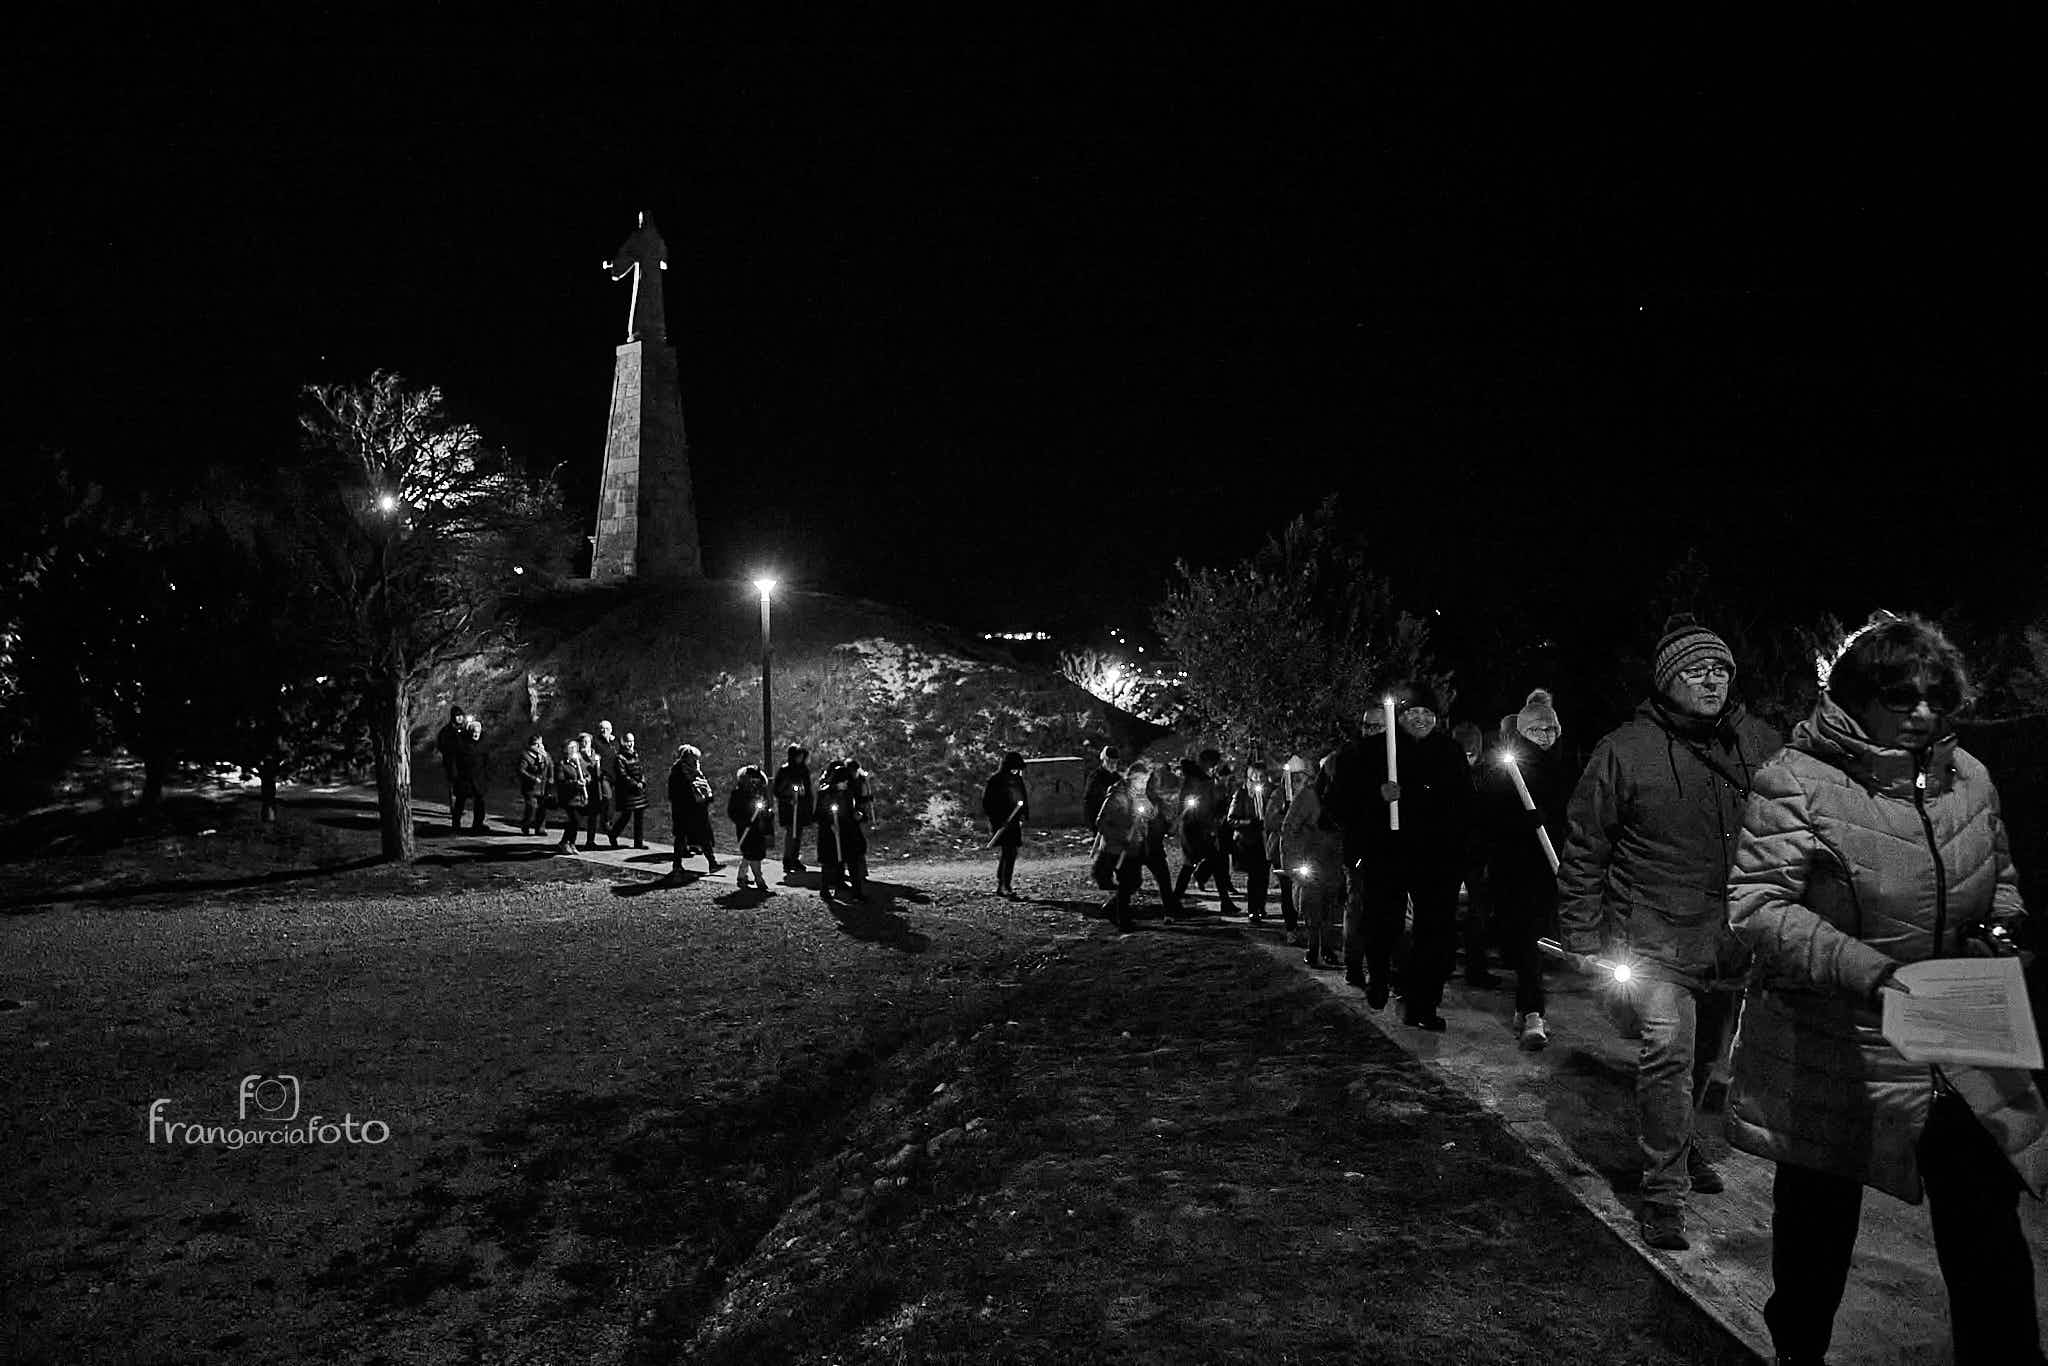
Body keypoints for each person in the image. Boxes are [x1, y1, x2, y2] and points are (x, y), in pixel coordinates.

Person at [1726, 613, 2046, 1366]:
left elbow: (1997, 878)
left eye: (1937, 695)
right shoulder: (1796, 781)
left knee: (1989, 1235)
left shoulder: (1970, 777)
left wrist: (2001, 930)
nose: (1923, 712)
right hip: (1838, 1039)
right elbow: (1757, 907)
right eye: (1901, 696)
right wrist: (1869, 971)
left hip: (1956, 1027)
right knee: (1815, 1240)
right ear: (1858, 696)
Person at [1556, 614, 1781, 1253]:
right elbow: (1586, 845)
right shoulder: (1625, 750)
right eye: (1695, 670)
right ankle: (1663, 1193)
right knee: (1669, 1056)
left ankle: (1680, 1146)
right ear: (1667, 681)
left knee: (1709, 1057)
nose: (1711, 680)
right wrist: (1581, 930)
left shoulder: (1756, 743)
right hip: (1653, 935)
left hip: (1731, 937)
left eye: (1720, 670)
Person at [1321, 681, 1475, 1030]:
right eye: (1413, 713)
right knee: (1383, 923)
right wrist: (1376, 797)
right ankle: (1379, 974)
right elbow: (1335, 804)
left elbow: (1465, 805)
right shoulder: (1367, 753)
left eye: (1428, 713)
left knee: (1435, 933)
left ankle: (1424, 1003)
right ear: (1398, 717)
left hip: (1436, 859)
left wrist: (1460, 850)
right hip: (1386, 854)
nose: (1421, 719)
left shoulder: (1449, 753)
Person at [1480, 689, 1569, 1051]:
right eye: (1538, 731)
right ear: (1524, 732)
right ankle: (1533, 1011)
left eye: (1551, 731)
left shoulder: (1562, 768)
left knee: (1540, 936)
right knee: (1525, 937)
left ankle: (1528, 1004)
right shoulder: (1506, 768)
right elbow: (1489, 817)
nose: (1546, 738)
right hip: (1515, 867)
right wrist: (1522, 821)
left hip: (1552, 867)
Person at [1283, 753, 1345, 968]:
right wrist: (1292, 862)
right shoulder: (1309, 796)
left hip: (1333, 861)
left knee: (1330, 907)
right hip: (1311, 859)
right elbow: (1290, 828)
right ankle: (1313, 948)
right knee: (1312, 908)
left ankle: (1327, 947)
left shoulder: (1344, 797)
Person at [1172, 750, 1238, 913]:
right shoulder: (1194, 780)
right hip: (1194, 828)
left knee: (1205, 863)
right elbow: (1187, 804)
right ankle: (1174, 901)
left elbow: (1210, 802)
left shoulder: (1205, 780)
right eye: (1213, 764)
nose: (1214, 767)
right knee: (1194, 864)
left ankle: (1174, 901)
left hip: (1202, 827)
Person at [1095, 758, 1154, 932]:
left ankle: (1113, 909)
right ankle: (1124, 920)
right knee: (1127, 881)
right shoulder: (1117, 795)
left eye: (1146, 781)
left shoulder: (1138, 794)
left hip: (1133, 846)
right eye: (1141, 780)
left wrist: (1149, 812)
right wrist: (1121, 836)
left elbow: (1148, 812)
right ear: (1132, 778)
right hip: (1117, 847)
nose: (1144, 784)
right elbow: (1101, 822)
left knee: (1134, 881)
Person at [816, 756, 872, 903]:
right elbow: (819, 814)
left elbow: (852, 808)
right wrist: (830, 824)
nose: (846, 783)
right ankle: (825, 888)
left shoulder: (848, 792)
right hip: (831, 833)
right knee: (830, 861)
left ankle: (857, 891)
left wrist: (858, 815)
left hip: (847, 830)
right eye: (843, 781)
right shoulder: (825, 792)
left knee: (853, 860)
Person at [1226, 762, 1275, 923]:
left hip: (1266, 840)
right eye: (1256, 777)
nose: (1259, 780)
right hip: (1249, 841)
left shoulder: (1271, 792)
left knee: (1264, 876)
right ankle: (1253, 909)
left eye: (1262, 777)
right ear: (1250, 777)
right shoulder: (1242, 794)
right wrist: (1249, 822)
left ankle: (1261, 906)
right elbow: (1231, 819)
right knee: (1254, 876)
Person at [667, 743, 722, 875]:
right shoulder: (679, 773)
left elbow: (703, 788)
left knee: (701, 837)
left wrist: (706, 798)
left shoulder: (694, 771)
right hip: (685, 811)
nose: (697, 762)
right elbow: (680, 794)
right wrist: (699, 799)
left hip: (696, 811)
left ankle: (712, 863)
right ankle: (677, 865)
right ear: (688, 759)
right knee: (682, 838)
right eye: (695, 759)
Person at [981, 751, 1030, 898]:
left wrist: (1023, 813)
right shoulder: (995, 780)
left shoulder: (1016, 780)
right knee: (1008, 852)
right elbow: (987, 803)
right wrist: (998, 818)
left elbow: (1023, 797)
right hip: (1002, 822)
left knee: (1010, 853)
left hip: (1013, 822)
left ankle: (1003, 883)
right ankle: (1004, 885)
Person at [727, 764, 778, 891]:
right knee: (751, 853)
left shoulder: (761, 792)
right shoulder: (738, 793)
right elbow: (733, 812)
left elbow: (766, 807)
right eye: (751, 778)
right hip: (746, 828)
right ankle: (759, 879)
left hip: (759, 828)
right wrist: (744, 821)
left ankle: (741, 876)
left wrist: (768, 814)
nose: (754, 782)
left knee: (754, 854)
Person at [1084, 745, 1124, 890]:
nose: (1113, 765)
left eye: (1115, 762)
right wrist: (1094, 822)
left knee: (1116, 850)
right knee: (1105, 852)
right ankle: (1102, 877)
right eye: (1111, 761)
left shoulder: (1117, 778)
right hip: (1102, 819)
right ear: (1105, 760)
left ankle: (1119, 876)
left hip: (1117, 822)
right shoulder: (1095, 776)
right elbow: (1090, 800)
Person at [773, 744, 815, 875]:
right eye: (798, 756)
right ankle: (787, 859)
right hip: (788, 807)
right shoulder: (784, 770)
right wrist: (788, 799)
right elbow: (777, 790)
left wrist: (808, 804)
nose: (800, 758)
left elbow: (807, 789)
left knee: (799, 833)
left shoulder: (804, 770)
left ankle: (795, 858)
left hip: (801, 806)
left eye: (802, 756)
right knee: (791, 833)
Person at [609, 732, 649, 848]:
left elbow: (640, 770)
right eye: (628, 742)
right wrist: (635, 784)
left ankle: (638, 843)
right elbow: (622, 775)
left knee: (639, 817)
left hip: (638, 791)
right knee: (625, 816)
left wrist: (642, 782)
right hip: (627, 792)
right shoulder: (619, 758)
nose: (630, 744)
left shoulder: (635, 754)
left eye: (632, 741)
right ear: (623, 742)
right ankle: (613, 834)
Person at [552, 736, 591, 854]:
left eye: (575, 747)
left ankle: (571, 843)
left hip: (579, 797)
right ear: (565, 749)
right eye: (571, 747)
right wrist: (575, 784)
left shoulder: (579, 762)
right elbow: (561, 781)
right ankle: (564, 842)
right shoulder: (561, 764)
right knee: (574, 820)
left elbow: (587, 774)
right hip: (568, 798)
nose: (574, 750)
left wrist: (586, 780)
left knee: (577, 821)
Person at [449, 716, 487, 832]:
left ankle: (478, 824)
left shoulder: (482, 744)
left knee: (479, 801)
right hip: (464, 777)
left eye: (478, 732)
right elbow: (455, 760)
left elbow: (486, 759)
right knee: (460, 801)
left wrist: (486, 775)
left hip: (478, 777)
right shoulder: (461, 743)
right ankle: (456, 825)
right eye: (474, 732)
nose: (476, 734)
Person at [586, 720, 619, 851]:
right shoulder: (595, 742)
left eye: (606, 728)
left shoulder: (615, 743)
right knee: (605, 799)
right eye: (601, 728)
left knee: (609, 804)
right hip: (599, 777)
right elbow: (588, 754)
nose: (603, 731)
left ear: (611, 730)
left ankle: (606, 826)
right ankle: (602, 828)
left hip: (613, 777)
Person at [516, 733, 551, 836]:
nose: (540, 747)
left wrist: (551, 777)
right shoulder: (526, 756)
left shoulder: (545, 755)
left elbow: (550, 765)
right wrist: (533, 778)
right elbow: (521, 770)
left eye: (541, 744)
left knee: (542, 808)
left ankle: (540, 828)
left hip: (543, 786)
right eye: (537, 744)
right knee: (532, 807)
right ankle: (526, 824)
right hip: (531, 787)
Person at [436, 706, 468, 804]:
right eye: (457, 716)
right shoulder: (446, 731)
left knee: (462, 784)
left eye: (461, 716)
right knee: (453, 782)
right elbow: (441, 744)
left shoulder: (465, 729)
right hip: (451, 761)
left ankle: (459, 804)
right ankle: (454, 806)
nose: (460, 718)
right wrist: (449, 753)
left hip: (463, 761)